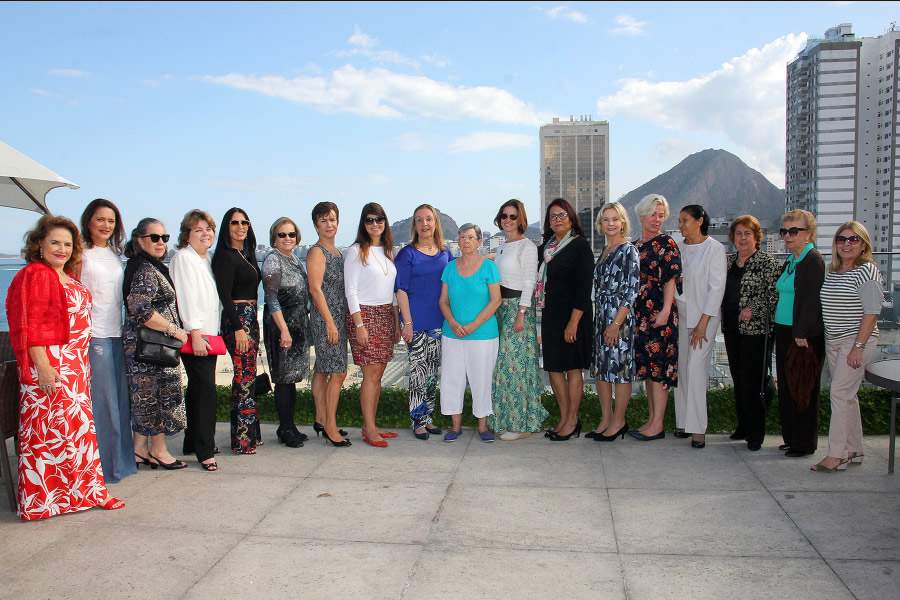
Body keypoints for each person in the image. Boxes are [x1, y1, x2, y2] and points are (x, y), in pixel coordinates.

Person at [6, 215, 124, 520]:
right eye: (54, 242)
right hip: (50, 364)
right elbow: (30, 325)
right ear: (39, 245)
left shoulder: (67, 276)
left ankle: (83, 493)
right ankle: (44, 501)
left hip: (75, 366)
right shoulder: (36, 274)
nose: (61, 248)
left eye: (67, 244)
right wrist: (43, 366)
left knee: (76, 431)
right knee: (48, 434)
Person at [813, 222, 882, 472]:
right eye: (842, 239)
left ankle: (837, 454)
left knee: (839, 395)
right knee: (847, 397)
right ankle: (854, 448)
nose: (847, 244)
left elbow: (872, 312)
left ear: (863, 244)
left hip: (855, 341)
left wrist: (858, 347)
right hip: (834, 341)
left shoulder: (868, 271)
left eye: (853, 239)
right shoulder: (835, 271)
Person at [123, 218, 189, 469]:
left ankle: (139, 449)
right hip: (151, 348)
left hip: (143, 348)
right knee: (158, 398)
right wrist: (176, 331)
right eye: (154, 238)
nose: (161, 242)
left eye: (164, 238)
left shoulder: (143, 266)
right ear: (140, 240)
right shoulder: (146, 271)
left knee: (147, 398)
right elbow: (140, 309)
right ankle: (159, 450)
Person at [79, 198, 136, 483]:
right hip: (93, 336)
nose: (105, 225)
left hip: (117, 333)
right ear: (88, 220)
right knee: (102, 404)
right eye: (100, 219)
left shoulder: (115, 255)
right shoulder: (81, 255)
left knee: (119, 403)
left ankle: (120, 463)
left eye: (111, 221)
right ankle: (100, 467)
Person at [487, 199, 547, 441]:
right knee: (502, 366)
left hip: (518, 310)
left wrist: (521, 312)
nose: (508, 220)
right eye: (504, 215)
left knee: (516, 366)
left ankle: (523, 424)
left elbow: (529, 282)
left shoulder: (528, 247)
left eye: (513, 216)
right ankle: (504, 418)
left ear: (520, 219)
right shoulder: (501, 248)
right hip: (500, 308)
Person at [537, 198, 593, 441]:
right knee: (553, 368)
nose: (557, 220)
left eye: (561, 215)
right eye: (553, 217)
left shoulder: (580, 246)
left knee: (572, 369)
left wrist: (573, 322)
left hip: (574, 316)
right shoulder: (546, 248)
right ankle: (564, 417)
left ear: (571, 218)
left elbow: (584, 288)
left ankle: (572, 420)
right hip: (550, 315)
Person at [721, 215, 780, 451]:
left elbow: (775, 294)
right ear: (733, 238)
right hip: (732, 329)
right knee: (738, 379)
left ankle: (756, 433)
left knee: (754, 381)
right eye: (739, 234)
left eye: (748, 233)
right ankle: (743, 426)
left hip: (756, 331)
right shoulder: (729, 262)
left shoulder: (766, 262)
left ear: (757, 237)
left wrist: (753, 309)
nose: (743, 238)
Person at [439, 223, 502, 442]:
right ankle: (455, 427)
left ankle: (483, 427)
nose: (466, 241)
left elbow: (496, 301)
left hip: (483, 335)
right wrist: (453, 323)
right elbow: (443, 301)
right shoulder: (449, 267)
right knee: (451, 379)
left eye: (470, 237)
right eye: (462, 237)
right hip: (452, 334)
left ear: (479, 241)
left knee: (481, 379)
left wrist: (473, 325)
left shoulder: (489, 267)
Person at [344, 202, 399, 448]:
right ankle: (369, 428)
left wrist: (396, 321)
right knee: (370, 374)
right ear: (363, 224)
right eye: (369, 220)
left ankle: (371, 425)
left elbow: (393, 290)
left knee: (378, 375)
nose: (375, 224)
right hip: (365, 315)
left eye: (379, 219)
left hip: (386, 314)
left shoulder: (388, 250)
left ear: (385, 222)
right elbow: (351, 290)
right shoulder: (357, 251)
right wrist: (359, 325)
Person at [170, 209, 221, 471]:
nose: (205, 233)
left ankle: (192, 440)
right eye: (198, 229)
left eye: (208, 229)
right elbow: (185, 297)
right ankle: (205, 449)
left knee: (198, 389)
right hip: (197, 335)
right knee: (206, 392)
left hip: (210, 333)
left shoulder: (205, 259)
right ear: (187, 234)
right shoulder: (183, 258)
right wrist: (195, 332)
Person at [395, 204, 451, 440]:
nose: (425, 224)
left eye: (428, 219)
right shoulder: (407, 254)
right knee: (418, 371)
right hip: (415, 323)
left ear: (435, 223)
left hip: (439, 322)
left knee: (432, 373)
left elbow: (456, 280)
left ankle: (428, 418)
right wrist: (406, 323)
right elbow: (401, 290)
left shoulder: (445, 253)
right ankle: (417, 420)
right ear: (415, 225)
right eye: (420, 220)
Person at [674, 205, 726, 449]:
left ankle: (698, 429)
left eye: (685, 220)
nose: (681, 225)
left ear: (699, 220)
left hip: (704, 319)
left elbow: (716, 289)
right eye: (680, 221)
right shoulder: (679, 247)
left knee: (695, 370)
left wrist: (703, 324)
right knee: (683, 369)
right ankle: (683, 421)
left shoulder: (714, 249)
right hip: (682, 315)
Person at [774, 209, 825, 458]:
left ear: (809, 233)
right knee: (786, 386)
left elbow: (812, 300)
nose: (788, 236)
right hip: (784, 331)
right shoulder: (792, 259)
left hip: (802, 336)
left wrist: (801, 331)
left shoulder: (812, 259)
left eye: (795, 231)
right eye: (785, 231)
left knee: (803, 389)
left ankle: (804, 443)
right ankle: (792, 437)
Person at [630, 194, 682, 441]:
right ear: (641, 215)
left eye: (661, 215)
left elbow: (671, 279)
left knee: (659, 369)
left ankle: (658, 424)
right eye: (653, 214)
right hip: (641, 314)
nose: (657, 219)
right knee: (648, 368)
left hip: (660, 313)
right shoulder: (636, 244)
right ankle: (651, 420)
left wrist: (665, 311)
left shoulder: (667, 243)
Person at [212, 207, 262, 455]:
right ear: (227, 226)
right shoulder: (224, 256)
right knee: (243, 379)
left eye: (245, 222)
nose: (240, 226)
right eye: (235, 222)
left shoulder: (248, 253)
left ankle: (251, 433)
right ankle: (242, 441)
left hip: (252, 318)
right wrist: (239, 329)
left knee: (248, 377)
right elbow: (225, 296)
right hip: (238, 320)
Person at [588, 202, 640, 442]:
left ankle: (619, 421)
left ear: (622, 222)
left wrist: (616, 324)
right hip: (601, 317)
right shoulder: (606, 250)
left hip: (618, 320)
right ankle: (605, 419)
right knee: (601, 370)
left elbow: (631, 291)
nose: (610, 223)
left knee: (619, 371)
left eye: (615, 219)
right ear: (601, 224)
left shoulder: (629, 250)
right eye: (606, 219)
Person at [262, 217, 313, 448]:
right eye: (282, 235)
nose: (287, 238)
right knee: (283, 380)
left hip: (297, 325)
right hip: (282, 327)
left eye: (291, 234)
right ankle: (284, 429)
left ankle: (289, 426)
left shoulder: (293, 259)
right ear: (274, 237)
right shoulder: (273, 260)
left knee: (291, 380)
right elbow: (271, 299)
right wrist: (283, 330)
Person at [307, 202, 351, 447]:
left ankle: (321, 419)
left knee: (323, 369)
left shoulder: (337, 253)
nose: (329, 224)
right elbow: (315, 289)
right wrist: (330, 323)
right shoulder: (317, 252)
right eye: (323, 220)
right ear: (316, 225)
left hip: (336, 318)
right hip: (327, 319)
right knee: (338, 372)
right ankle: (331, 429)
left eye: (332, 219)